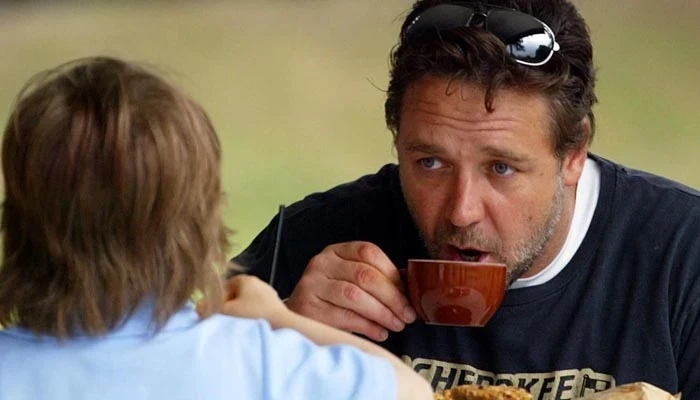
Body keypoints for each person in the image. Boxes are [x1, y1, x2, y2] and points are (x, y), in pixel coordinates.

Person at [233, 0, 700, 398]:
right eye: (430, 163)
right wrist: (279, 340)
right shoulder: (313, 243)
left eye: (501, 168)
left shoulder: (683, 257)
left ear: (574, 153)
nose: (461, 211)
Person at [0, 56, 433, 400]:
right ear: (201, 223)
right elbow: (412, 392)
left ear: (18, 222)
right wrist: (279, 318)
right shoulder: (255, 359)